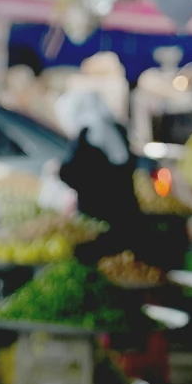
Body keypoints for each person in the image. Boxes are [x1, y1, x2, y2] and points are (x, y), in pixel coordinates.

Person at [55, 89, 148, 258]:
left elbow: (73, 172)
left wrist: (57, 170)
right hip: (127, 211)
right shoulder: (117, 128)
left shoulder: (87, 135)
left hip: (99, 215)